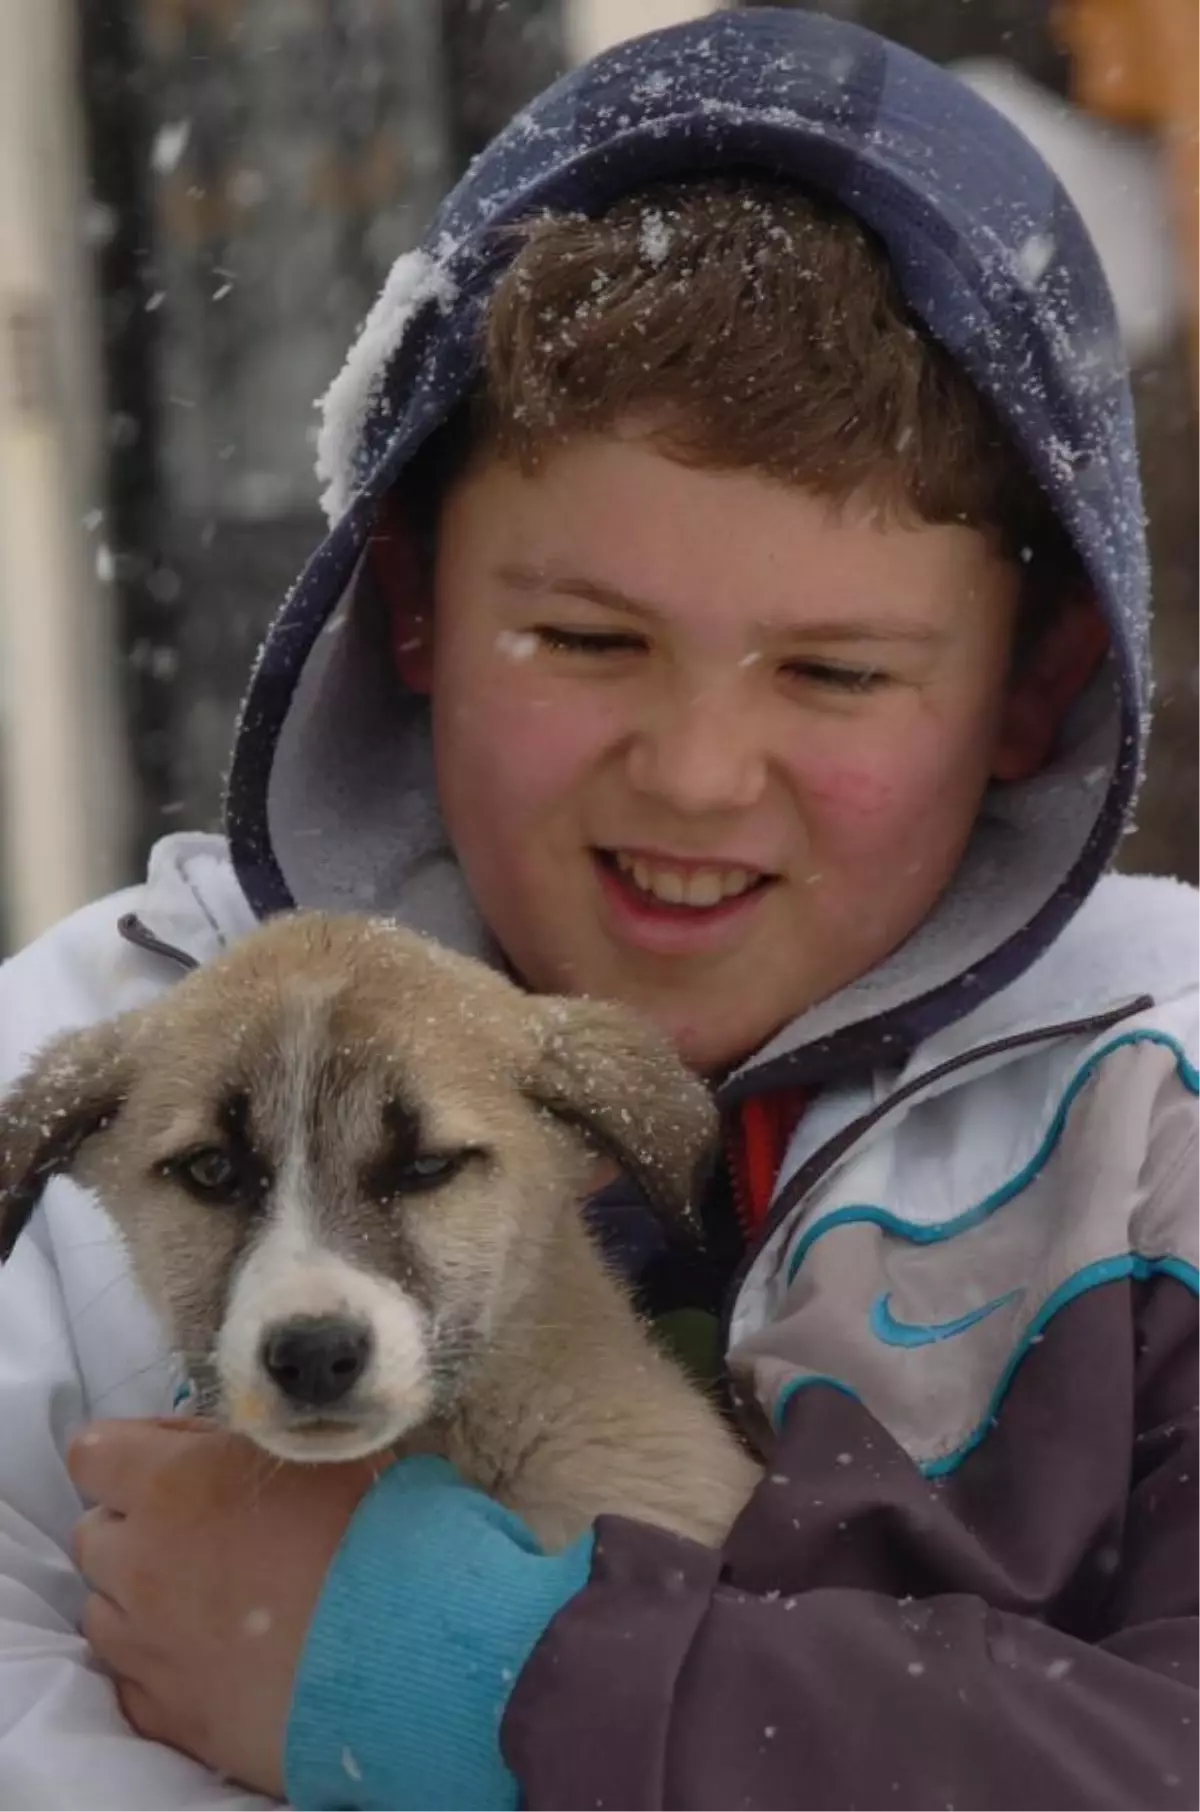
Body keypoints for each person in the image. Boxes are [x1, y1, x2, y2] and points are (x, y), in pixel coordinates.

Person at [2, 8, 1198, 1810]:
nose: (700, 773)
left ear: (1034, 686)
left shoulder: (1164, 1117)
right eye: (584, 639)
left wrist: (488, 1683)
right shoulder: (89, 1060)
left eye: (839, 671)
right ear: (405, 602)